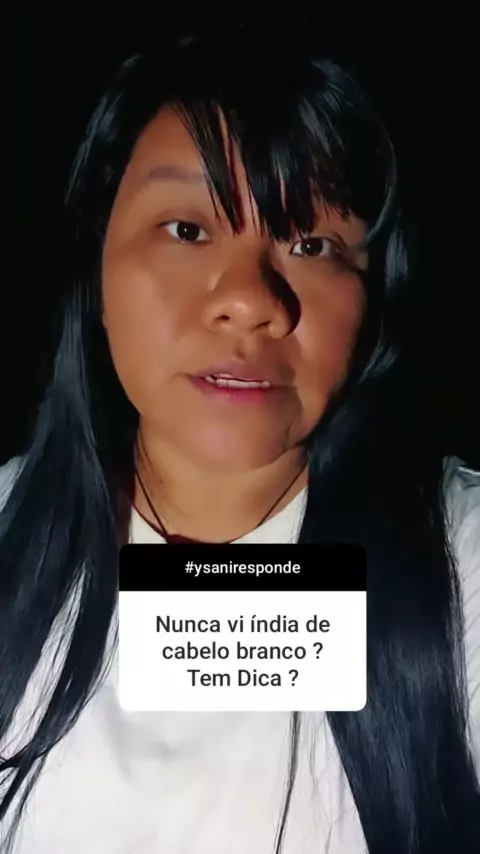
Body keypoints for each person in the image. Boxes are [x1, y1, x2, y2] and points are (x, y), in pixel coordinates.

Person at [1, 20, 479, 854]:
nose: (250, 300)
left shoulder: (459, 565)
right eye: (187, 230)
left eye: (311, 243)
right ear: (97, 261)